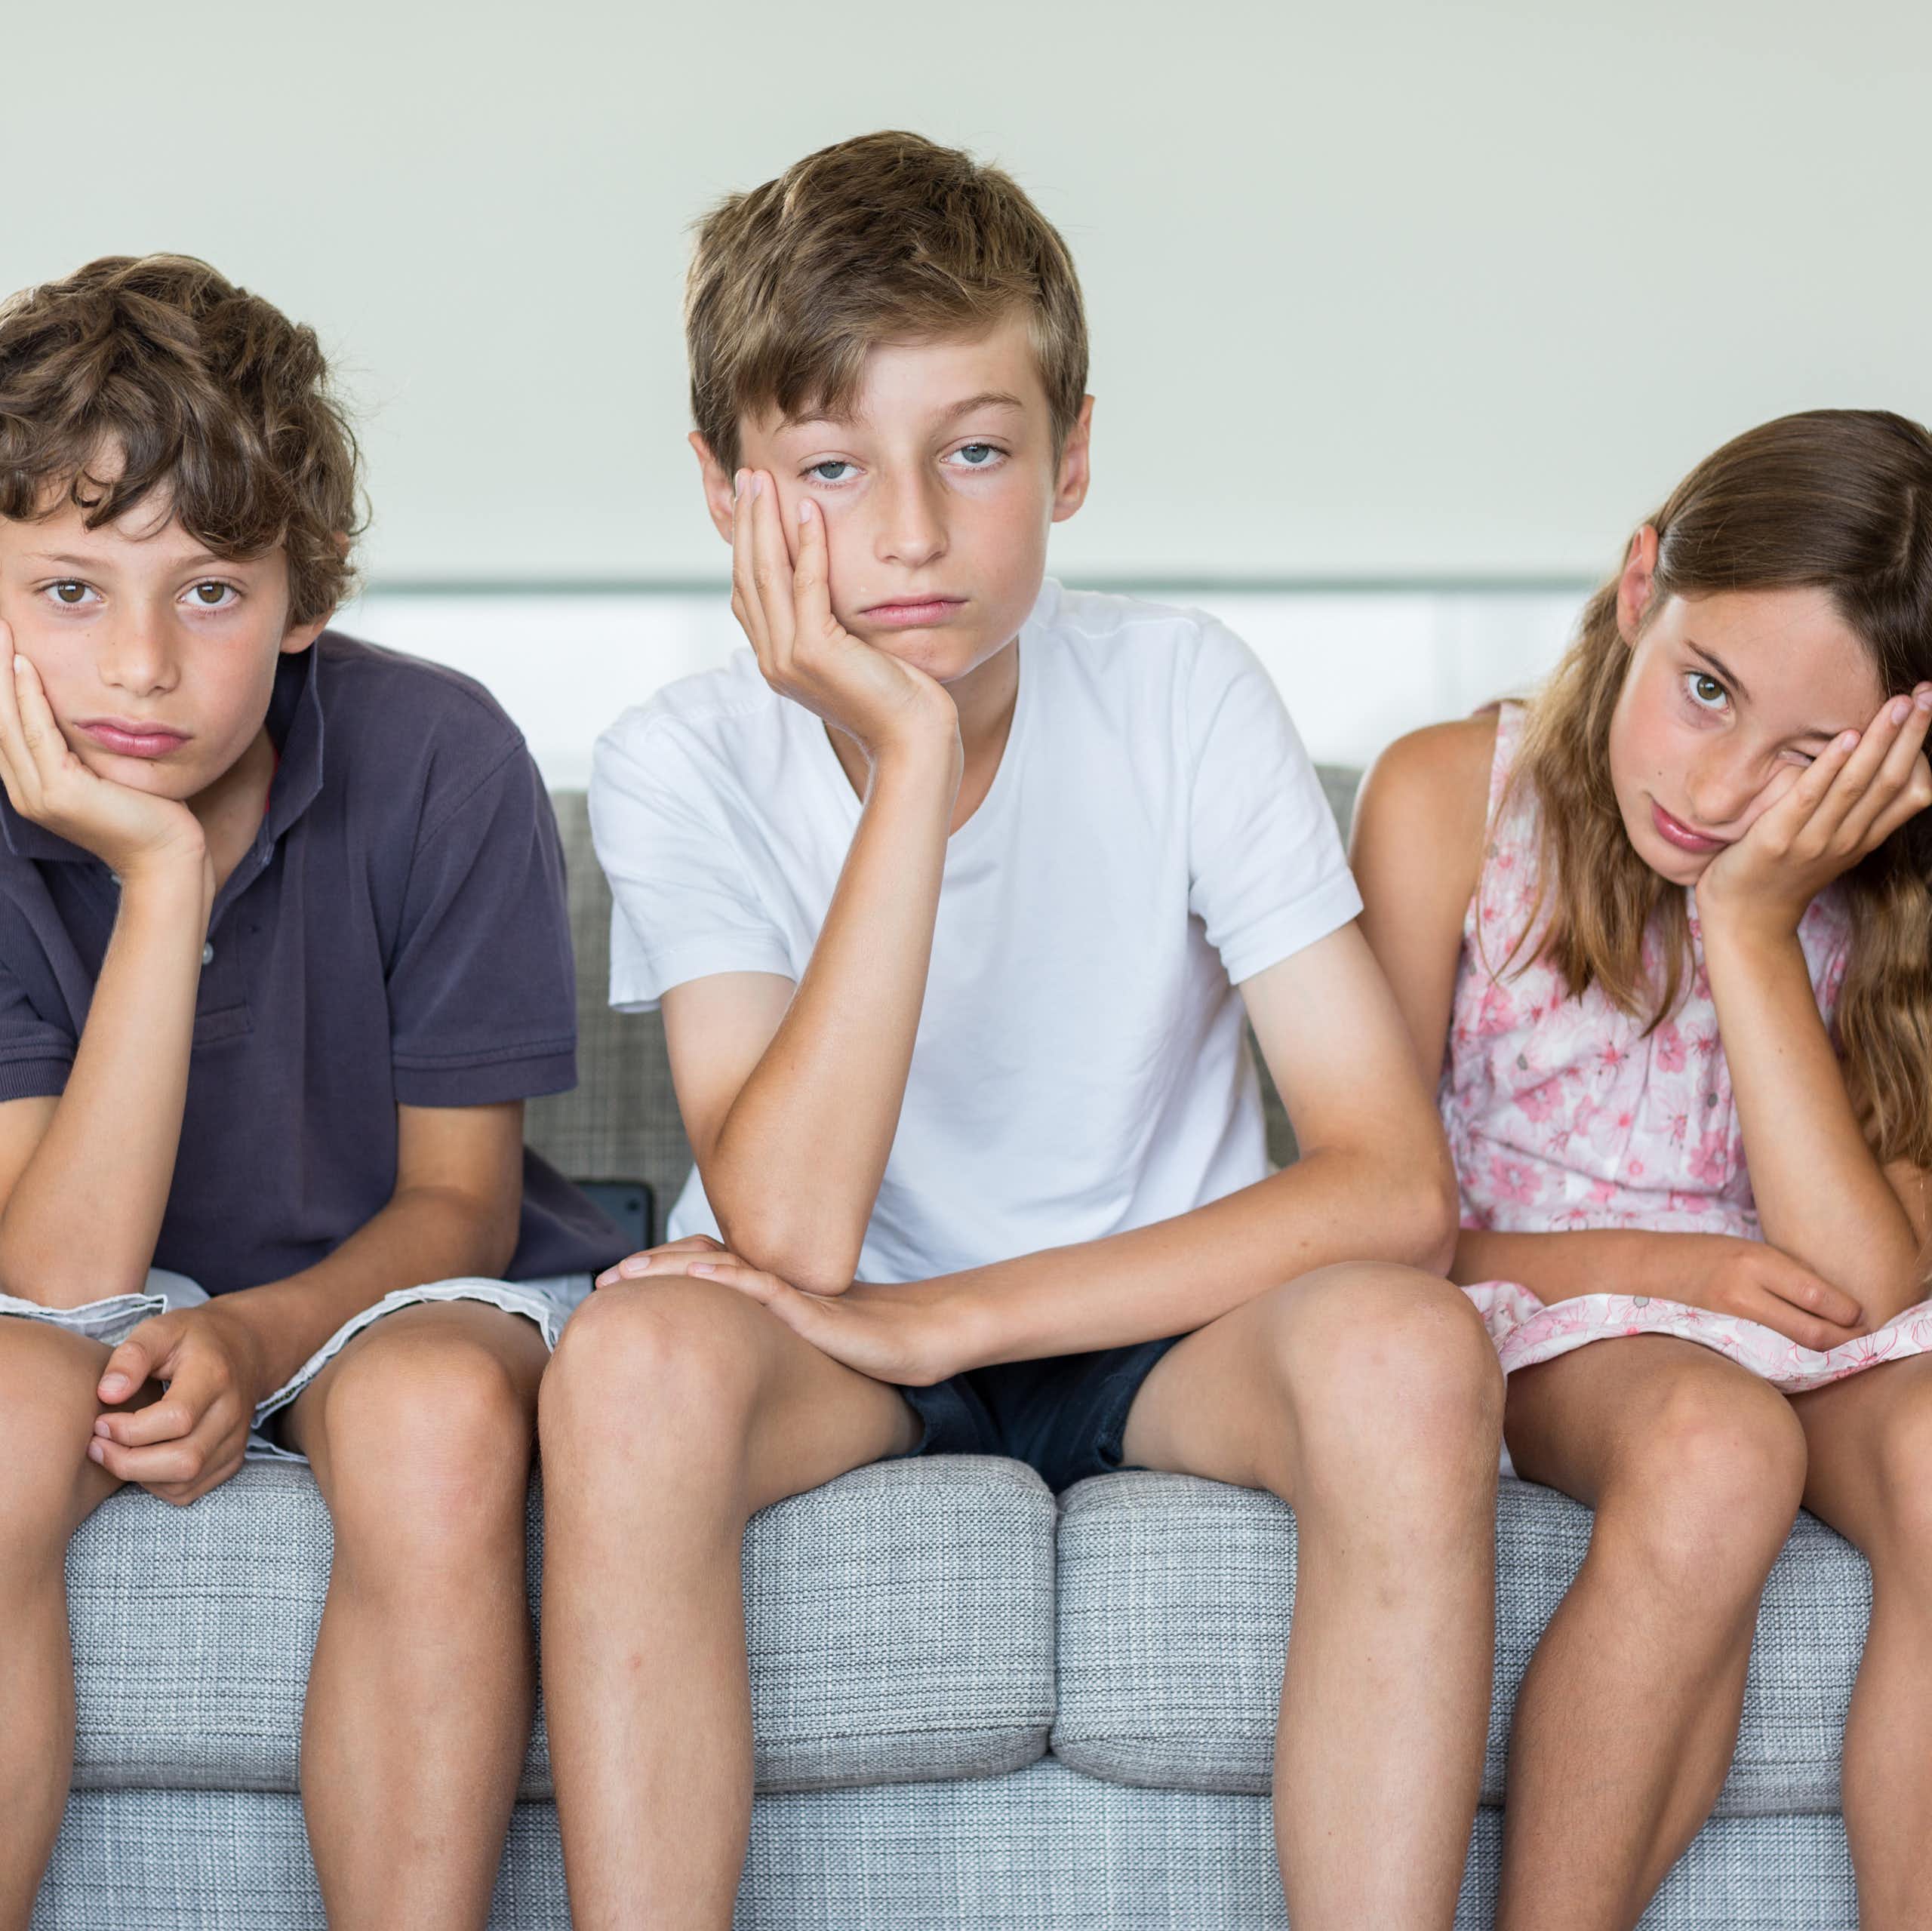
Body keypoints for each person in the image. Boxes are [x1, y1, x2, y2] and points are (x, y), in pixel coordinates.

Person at [543, 129, 1503, 1929]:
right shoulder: (685, 756)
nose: (907, 531)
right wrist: (906, 757)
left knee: (1407, 1353)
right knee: (631, 1365)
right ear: (724, 490)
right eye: (829, 466)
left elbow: (1387, 1182)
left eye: (972, 451)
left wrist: (960, 1313)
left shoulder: (1182, 690)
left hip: (1161, 1324)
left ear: (1069, 456)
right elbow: (795, 1235)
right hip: (822, 1333)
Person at [0, 254, 625, 1930]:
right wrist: (155, 880)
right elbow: (54, 1286)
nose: (138, 664)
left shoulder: (439, 755)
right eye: (68, 590)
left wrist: (264, 1336)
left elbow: (458, 1204)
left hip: (391, 1287)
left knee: (431, 1423)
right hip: (87, 1304)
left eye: (209, 592)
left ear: (304, 598)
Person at [1352, 408, 1932, 1929]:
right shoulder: (1444, 803)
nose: (1722, 785)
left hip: (1825, 1317)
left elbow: (1867, 1277)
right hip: (1560, 1307)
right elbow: (1366, 1222)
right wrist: (1666, 1274)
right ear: (1635, 588)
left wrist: (1747, 926)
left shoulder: (1887, 900)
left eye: (1806, 755)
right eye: (1703, 689)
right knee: (1714, 1447)